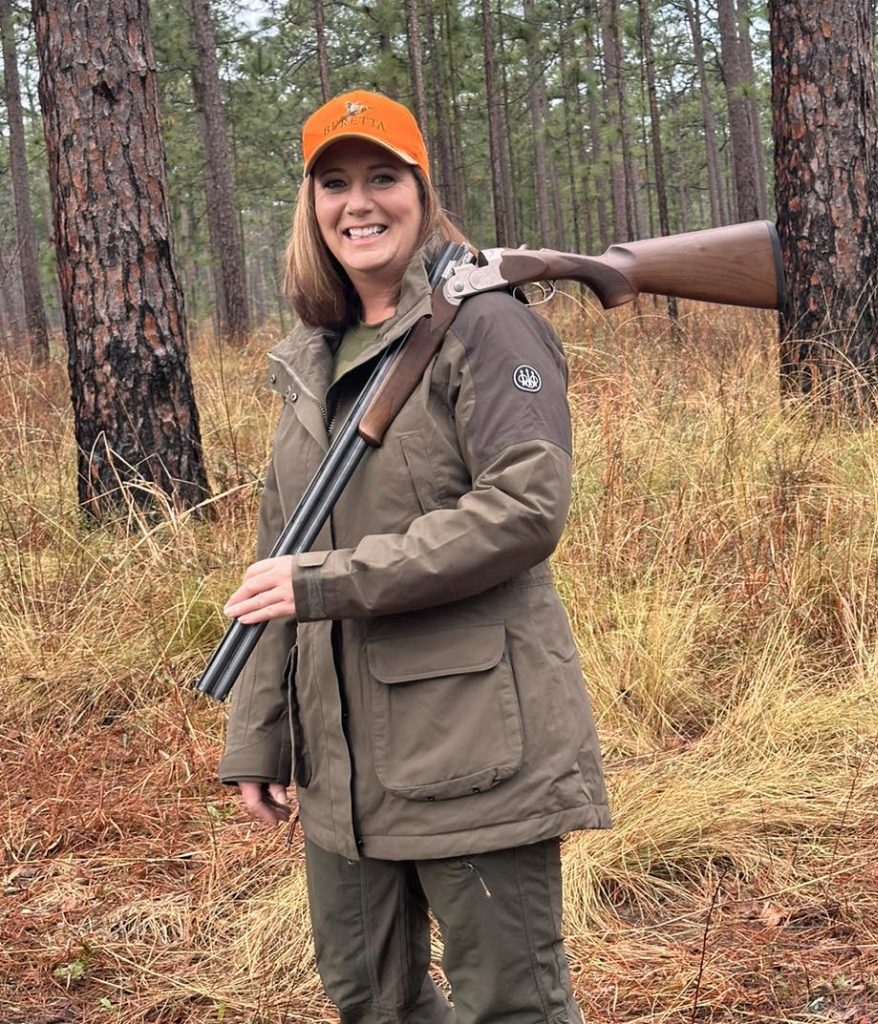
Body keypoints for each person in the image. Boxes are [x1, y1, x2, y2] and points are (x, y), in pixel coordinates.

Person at [218, 89, 611, 1024]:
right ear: (311, 209)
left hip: (476, 745)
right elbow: (280, 558)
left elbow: (525, 507)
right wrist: (259, 735)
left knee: (508, 1004)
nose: (360, 203)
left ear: (422, 193)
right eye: (336, 183)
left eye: (383, 178)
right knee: (368, 998)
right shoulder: (316, 353)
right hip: (342, 764)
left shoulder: (487, 321)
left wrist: (328, 583)